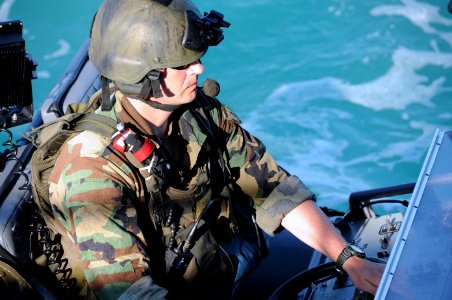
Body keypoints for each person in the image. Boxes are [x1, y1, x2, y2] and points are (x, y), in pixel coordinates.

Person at [46, 0, 385, 299]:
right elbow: (132, 293)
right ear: (144, 76)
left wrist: (349, 259)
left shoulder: (199, 114)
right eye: (182, 65)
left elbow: (274, 190)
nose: (199, 69)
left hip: (213, 269)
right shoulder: (91, 170)